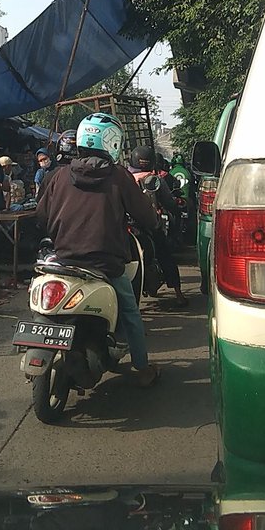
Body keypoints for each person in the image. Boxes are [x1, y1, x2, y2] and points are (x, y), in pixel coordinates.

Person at [35, 112, 161, 387]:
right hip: (105, 265)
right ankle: (142, 368)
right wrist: (153, 221)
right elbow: (146, 218)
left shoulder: (58, 176)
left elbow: (41, 218)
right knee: (129, 312)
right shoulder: (118, 177)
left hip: (64, 260)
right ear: (111, 142)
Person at [129, 146, 188, 306]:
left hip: (130, 226)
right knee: (165, 254)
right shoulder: (156, 180)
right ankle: (178, 294)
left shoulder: (125, 179)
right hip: (151, 224)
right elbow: (169, 202)